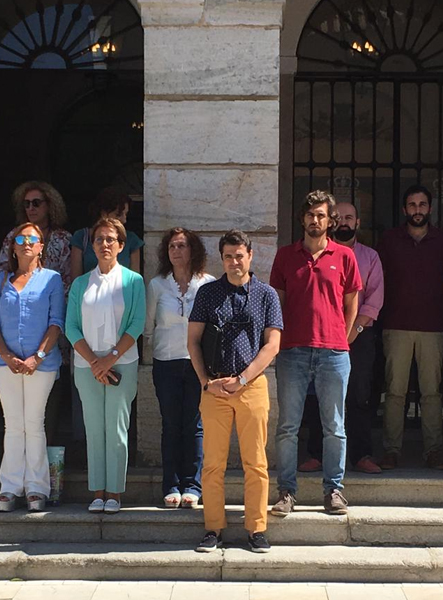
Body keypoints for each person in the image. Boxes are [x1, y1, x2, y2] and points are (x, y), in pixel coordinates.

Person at [188, 230, 282, 553]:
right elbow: (193, 341)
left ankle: (256, 529)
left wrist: (242, 379)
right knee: (213, 463)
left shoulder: (267, 295)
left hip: (251, 386)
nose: (234, 262)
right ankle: (213, 527)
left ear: (250, 256)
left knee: (255, 462)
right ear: (222, 258)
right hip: (214, 387)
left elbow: (272, 345)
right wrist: (205, 381)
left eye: (239, 255)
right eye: (228, 256)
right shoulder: (207, 294)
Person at [270, 190, 362, 517]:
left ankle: (333, 490)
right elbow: (276, 304)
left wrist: (345, 336)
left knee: (334, 426)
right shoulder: (285, 257)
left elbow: (352, 302)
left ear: (330, 220)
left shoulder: (345, 257)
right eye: (310, 214)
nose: (315, 220)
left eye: (321, 215)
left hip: (334, 352)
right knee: (288, 426)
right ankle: (286, 492)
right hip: (292, 350)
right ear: (302, 218)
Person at [0, 222, 66, 512]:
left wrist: (38, 356)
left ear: (41, 247)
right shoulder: (1, 280)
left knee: (34, 423)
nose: (26, 242)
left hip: (40, 364)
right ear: (13, 246)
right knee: (13, 424)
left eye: (33, 239)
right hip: (4, 362)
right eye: (21, 238)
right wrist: (6, 355)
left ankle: (36, 488)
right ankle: (9, 487)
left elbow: (57, 322)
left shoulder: (52, 279)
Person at [65, 217, 145, 514]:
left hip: (121, 361)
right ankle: (97, 491)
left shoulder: (133, 281)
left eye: (111, 239)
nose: (105, 244)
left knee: (117, 429)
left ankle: (115, 492)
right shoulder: (80, 283)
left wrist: (109, 359)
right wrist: (94, 362)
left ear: (121, 245)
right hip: (87, 366)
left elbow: (136, 324)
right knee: (94, 429)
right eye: (99, 239)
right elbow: (71, 326)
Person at [299, 201, 383, 475]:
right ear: (333, 222)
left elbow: (373, 300)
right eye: (341, 218)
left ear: (358, 223)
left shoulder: (370, 257)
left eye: (351, 218)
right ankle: (316, 454)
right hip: (322, 336)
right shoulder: (321, 253)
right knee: (317, 396)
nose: (345, 222)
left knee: (359, 396)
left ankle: (361, 455)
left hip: (358, 337)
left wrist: (352, 332)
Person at [376, 185, 443, 470]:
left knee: (432, 392)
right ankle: (391, 450)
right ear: (404, 209)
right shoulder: (389, 240)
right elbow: (378, 280)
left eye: (422, 204)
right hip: (396, 325)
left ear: (430, 209)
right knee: (395, 391)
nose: (417, 210)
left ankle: (433, 450)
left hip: (432, 326)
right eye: (412, 205)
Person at [144, 227, 215, 508]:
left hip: (198, 365)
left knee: (195, 425)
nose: (176, 251)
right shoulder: (157, 285)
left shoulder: (208, 283)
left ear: (193, 250)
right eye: (172, 246)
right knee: (171, 424)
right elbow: (148, 326)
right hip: (166, 362)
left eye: (182, 246)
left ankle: (193, 486)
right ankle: (171, 485)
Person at [0, 181, 72, 288]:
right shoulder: (14, 236)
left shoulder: (62, 239)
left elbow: (67, 279)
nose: (31, 208)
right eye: (27, 204)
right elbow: (1, 273)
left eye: (36, 203)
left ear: (49, 205)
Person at [70, 188, 143, 276]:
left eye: (126, 214)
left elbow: (134, 280)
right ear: (103, 213)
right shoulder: (81, 237)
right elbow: (76, 279)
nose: (124, 220)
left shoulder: (132, 240)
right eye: (118, 215)